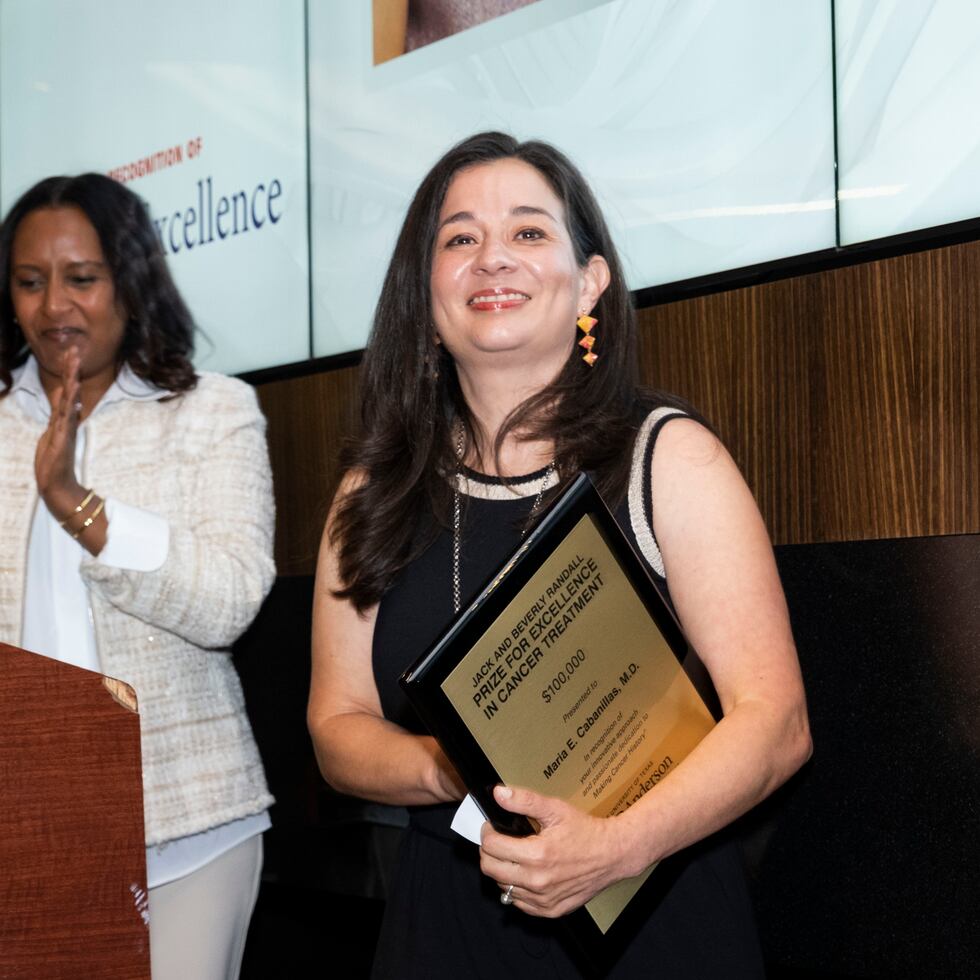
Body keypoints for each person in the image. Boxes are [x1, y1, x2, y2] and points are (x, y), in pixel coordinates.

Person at [308, 131, 812, 978]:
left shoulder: (668, 459)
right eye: (460, 238)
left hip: (648, 913)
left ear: (591, 282)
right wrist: (447, 765)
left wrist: (615, 846)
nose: (492, 259)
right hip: (446, 928)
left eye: (530, 233)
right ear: (423, 293)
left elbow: (777, 723)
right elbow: (336, 727)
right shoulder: (373, 490)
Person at [0, 174, 275, 980]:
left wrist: (78, 506)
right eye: (29, 282)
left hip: (187, 826)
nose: (55, 308)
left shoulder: (210, 411)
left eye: (82, 279)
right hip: (27, 830)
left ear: (132, 279)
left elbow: (228, 600)